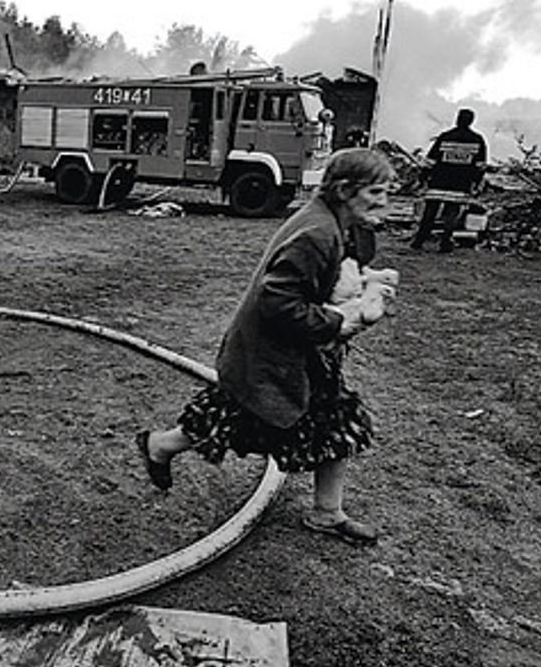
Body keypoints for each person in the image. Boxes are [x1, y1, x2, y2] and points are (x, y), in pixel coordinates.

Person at [135, 148, 395, 546]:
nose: (383, 200)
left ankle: (328, 512)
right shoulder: (315, 234)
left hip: (300, 354)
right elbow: (278, 303)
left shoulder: (337, 225)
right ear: (344, 190)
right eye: (375, 191)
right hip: (268, 356)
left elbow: (342, 270)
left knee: (338, 422)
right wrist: (339, 320)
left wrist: (367, 285)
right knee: (231, 419)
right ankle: (158, 445)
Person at [411, 108, 487, 252]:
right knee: (451, 213)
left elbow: (430, 161)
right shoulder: (477, 140)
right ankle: (445, 242)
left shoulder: (445, 137)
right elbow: (480, 166)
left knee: (430, 212)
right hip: (460, 184)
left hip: (438, 181)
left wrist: (423, 177)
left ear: (457, 119)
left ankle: (419, 240)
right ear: (471, 121)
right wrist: (476, 183)